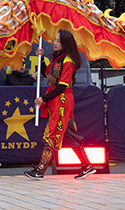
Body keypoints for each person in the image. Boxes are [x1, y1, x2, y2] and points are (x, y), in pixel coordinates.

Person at [26, 29, 95, 180]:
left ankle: (41, 169)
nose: (55, 43)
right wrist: (42, 58)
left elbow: (62, 85)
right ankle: (87, 166)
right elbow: (46, 73)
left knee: (52, 133)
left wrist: (44, 98)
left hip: (62, 99)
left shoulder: (68, 61)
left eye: (58, 41)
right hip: (57, 99)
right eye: (55, 40)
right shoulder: (57, 59)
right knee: (70, 134)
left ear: (65, 43)